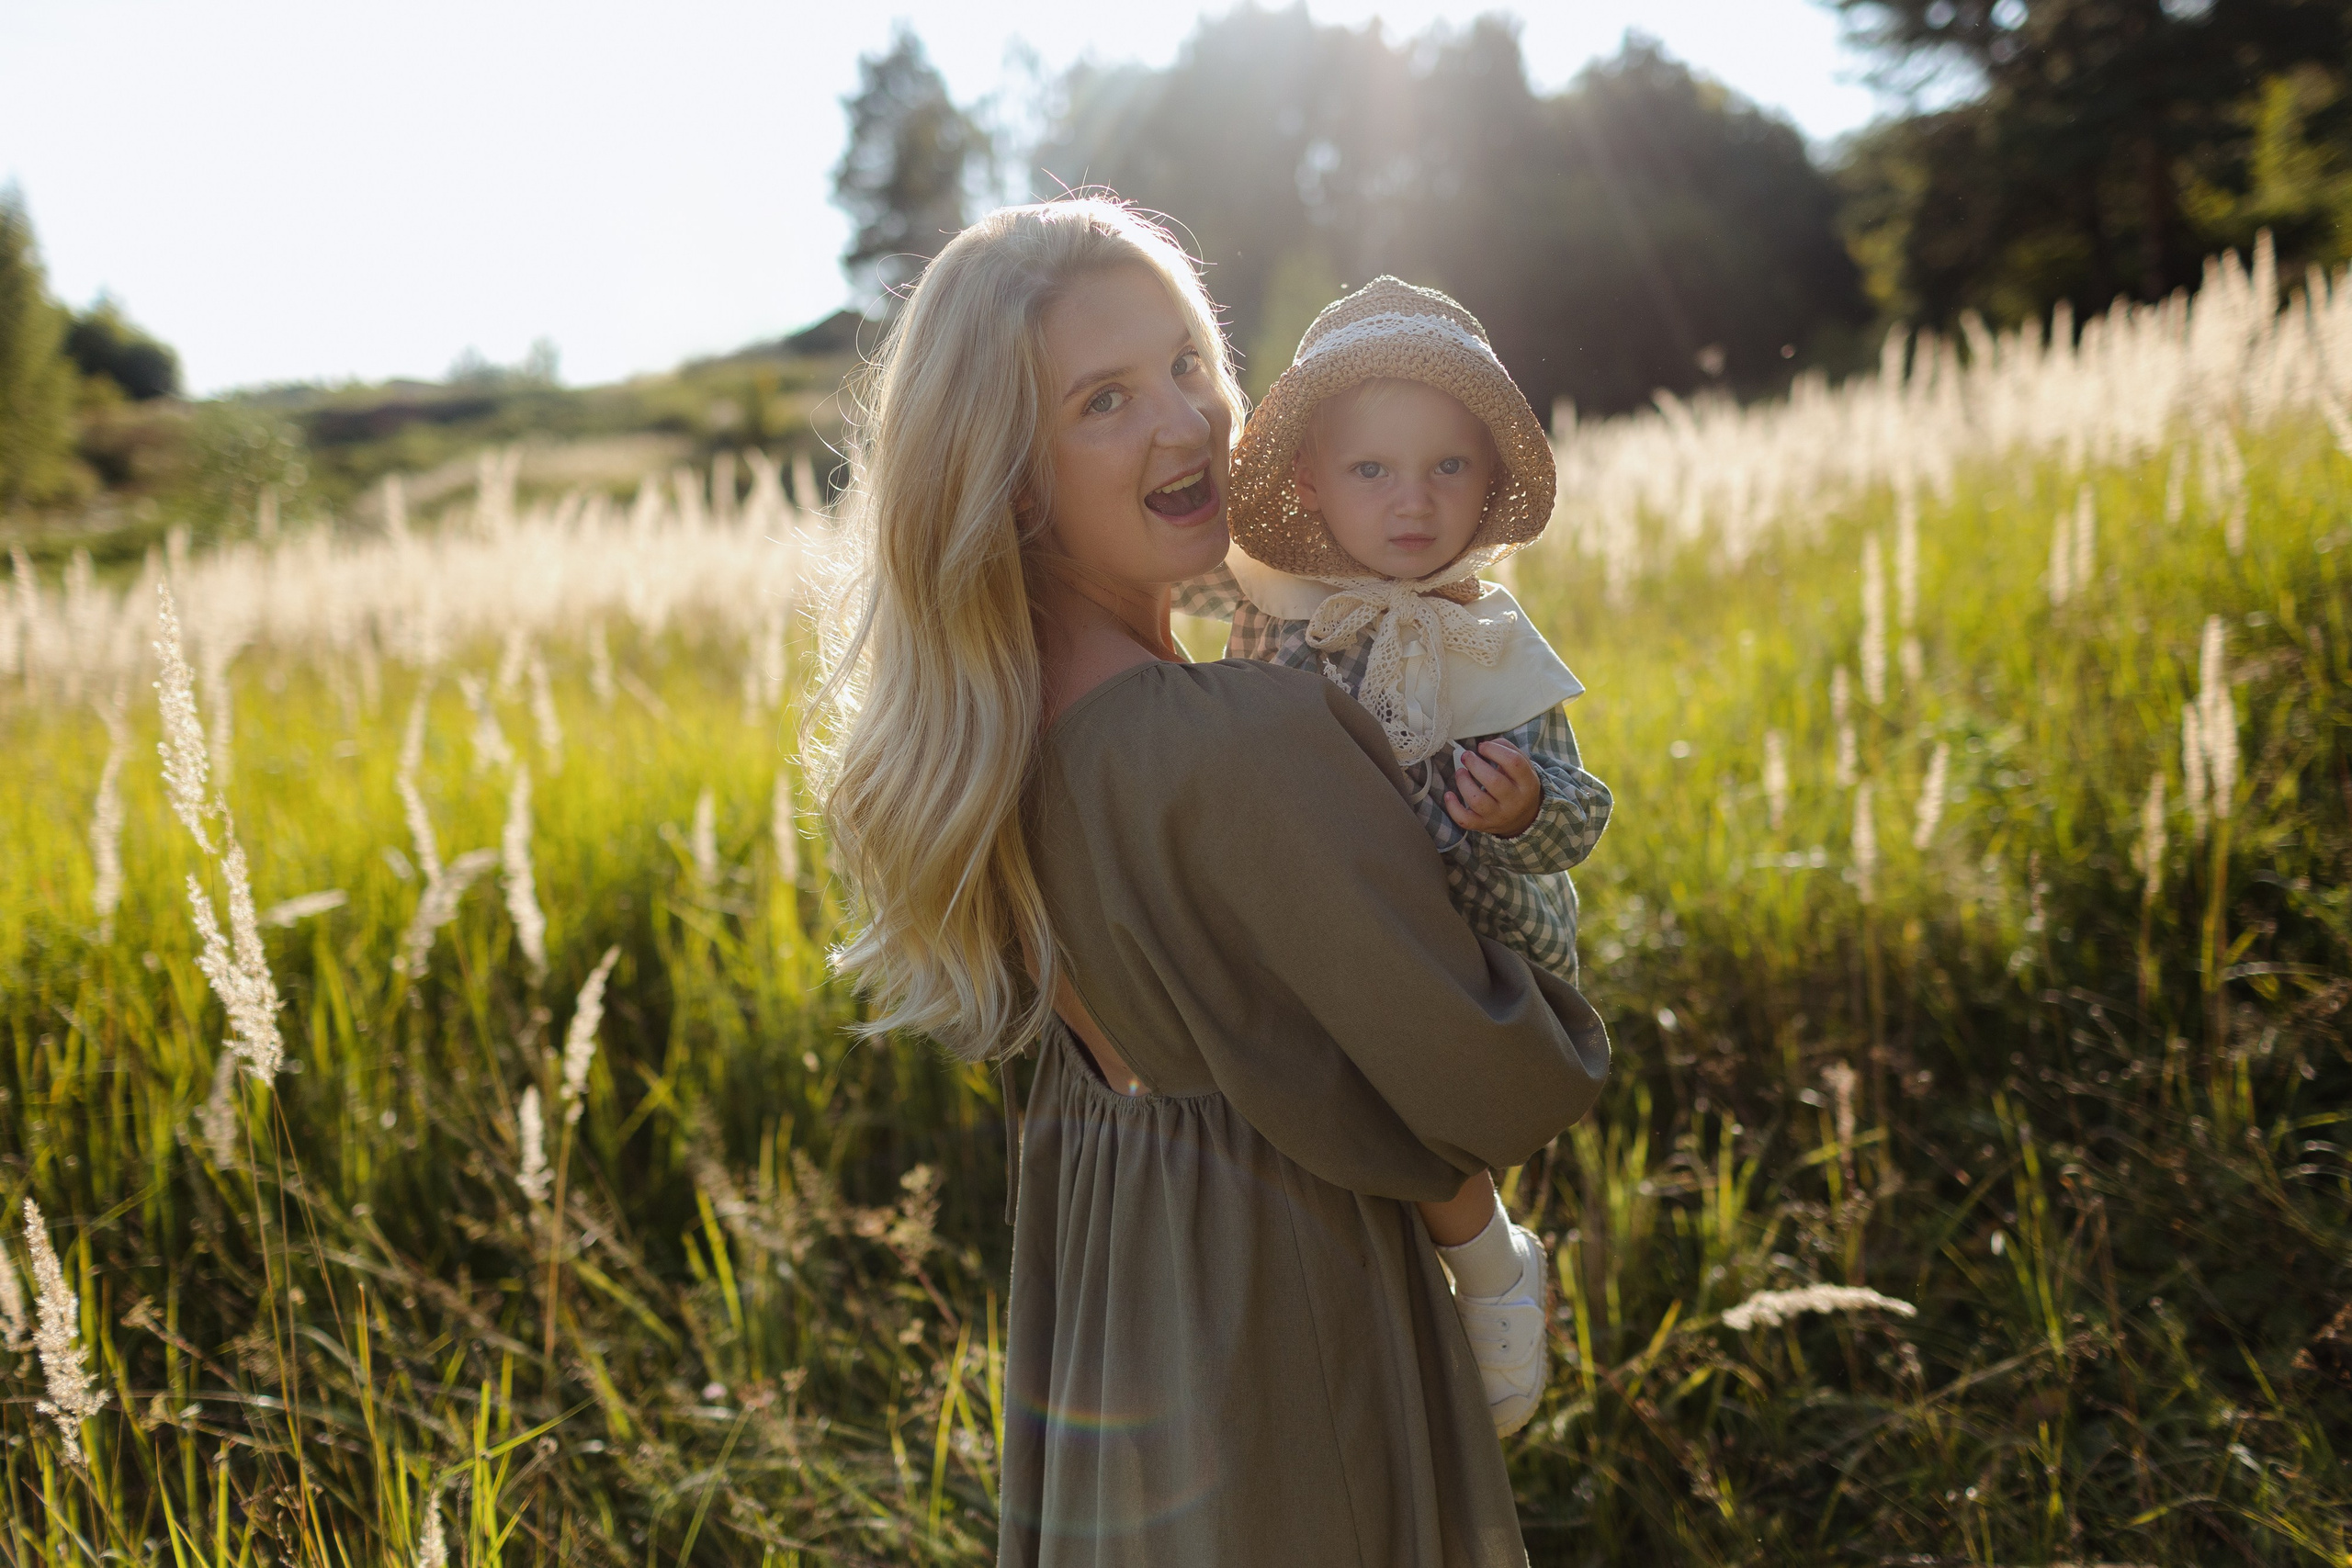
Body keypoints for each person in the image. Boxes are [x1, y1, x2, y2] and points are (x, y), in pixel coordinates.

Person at [810, 195, 1610, 1567]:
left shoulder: (991, 751)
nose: (1186, 424)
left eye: (1188, 363)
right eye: (1105, 400)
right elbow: (1498, 1078)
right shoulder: (1242, 743)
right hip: (1290, 1315)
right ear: (1008, 473)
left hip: (1120, 1309)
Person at [1172, 276, 1612, 1435]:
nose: (1411, 503)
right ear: (1310, 481)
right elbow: (1136, 569)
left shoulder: (1491, 640)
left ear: (1488, 486)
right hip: (1307, 910)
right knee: (1281, 1065)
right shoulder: (1272, 599)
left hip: (1456, 939)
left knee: (1392, 1081)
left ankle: (1489, 1263)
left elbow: (1580, 813)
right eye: (1372, 470)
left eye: (1446, 470)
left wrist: (1520, 808)